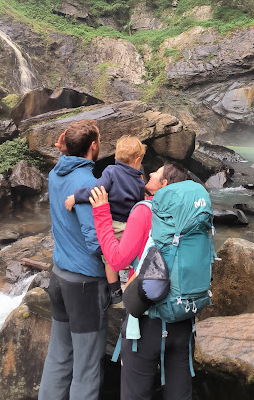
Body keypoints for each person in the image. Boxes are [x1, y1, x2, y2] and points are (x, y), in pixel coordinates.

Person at [90, 162, 193, 400]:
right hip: (183, 320)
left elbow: (116, 261)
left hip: (147, 322)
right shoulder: (192, 216)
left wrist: (102, 213)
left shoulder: (145, 211)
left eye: (157, 172)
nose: (151, 172)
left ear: (164, 184)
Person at [38, 120, 109, 400]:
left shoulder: (56, 173)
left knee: (58, 357)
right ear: (93, 146)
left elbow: (66, 164)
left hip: (59, 277)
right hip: (85, 286)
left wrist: (62, 151)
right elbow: (96, 242)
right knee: (86, 369)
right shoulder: (88, 185)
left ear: (65, 147)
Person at [65, 135, 146, 306]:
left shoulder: (111, 171)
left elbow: (96, 191)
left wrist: (76, 196)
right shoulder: (139, 182)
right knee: (133, 256)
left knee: (109, 258)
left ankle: (115, 291)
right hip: (130, 227)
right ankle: (132, 283)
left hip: (112, 224)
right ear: (138, 160)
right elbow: (139, 206)